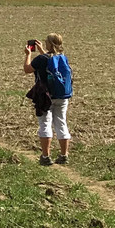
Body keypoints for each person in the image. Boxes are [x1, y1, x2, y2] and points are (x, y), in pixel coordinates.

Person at [24, 34, 73, 166]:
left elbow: (27, 69)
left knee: (45, 123)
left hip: (45, 96)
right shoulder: (62, 57)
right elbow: (50, 61)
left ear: (49, 44)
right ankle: (64, 155)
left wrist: (28, 54)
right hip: (62, 96)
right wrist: (42, 51)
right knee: (61, 123)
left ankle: (46, 156)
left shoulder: (41, 58)